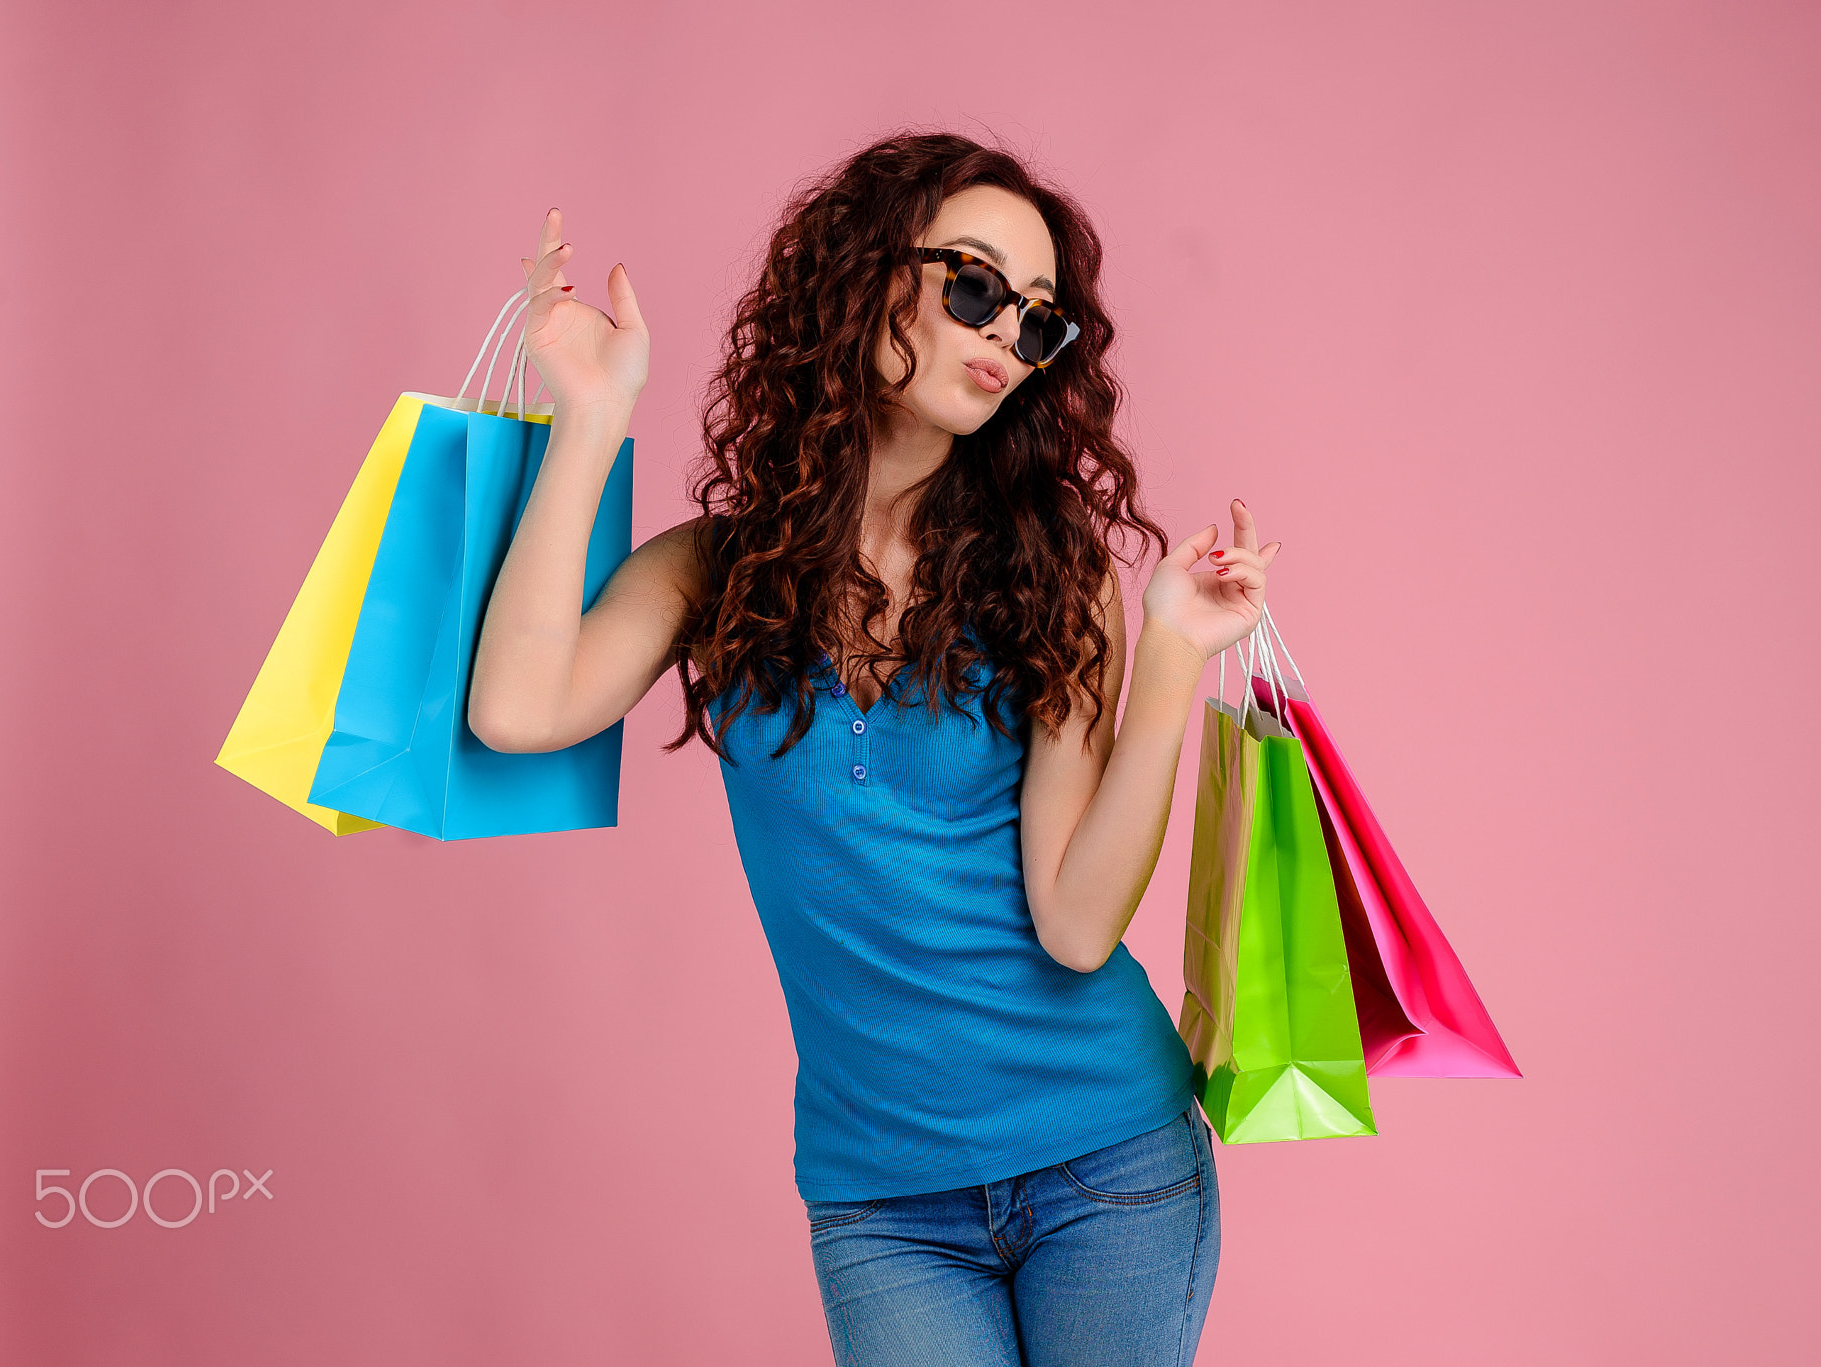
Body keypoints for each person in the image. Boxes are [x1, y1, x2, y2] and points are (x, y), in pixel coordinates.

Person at [467, 132, 1280, 1367]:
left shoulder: (1048, 570)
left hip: (1104, 1157)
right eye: (973, 286)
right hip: (881, 1199)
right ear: (860, 278)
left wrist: (1166, 655)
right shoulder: (714, 571)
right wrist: (591, 414)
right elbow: (516, 710)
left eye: (1039, 320)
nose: (1007, 333)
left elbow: (1074, 923)